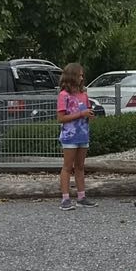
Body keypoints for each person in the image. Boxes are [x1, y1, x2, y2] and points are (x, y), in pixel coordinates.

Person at [57, 63, 93, 209]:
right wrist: (81, 114)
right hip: (69, 136)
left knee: (80, 167)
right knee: (67, 167)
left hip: (83, 134)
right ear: (72, 76)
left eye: (82, 75)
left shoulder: (84, 94)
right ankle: (65, 198)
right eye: (79, 75)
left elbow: (86, 110)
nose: (82, 78)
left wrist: (89, 115)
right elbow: (61, 118)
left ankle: (81, 196)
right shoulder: (63, 95)